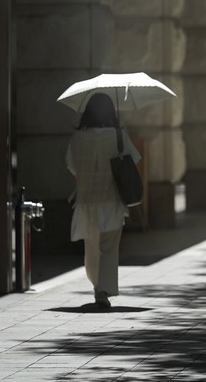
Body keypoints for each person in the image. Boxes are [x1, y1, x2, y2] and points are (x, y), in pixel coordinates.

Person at [65, 93, 142, 308]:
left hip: (87, 201)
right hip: (112, 201)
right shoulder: (118, 136)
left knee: (92, 247)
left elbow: (72, 167)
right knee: (109, 246)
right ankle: (103, 290)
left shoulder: (77, 138)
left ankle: (97, 284)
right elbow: (133, 160)